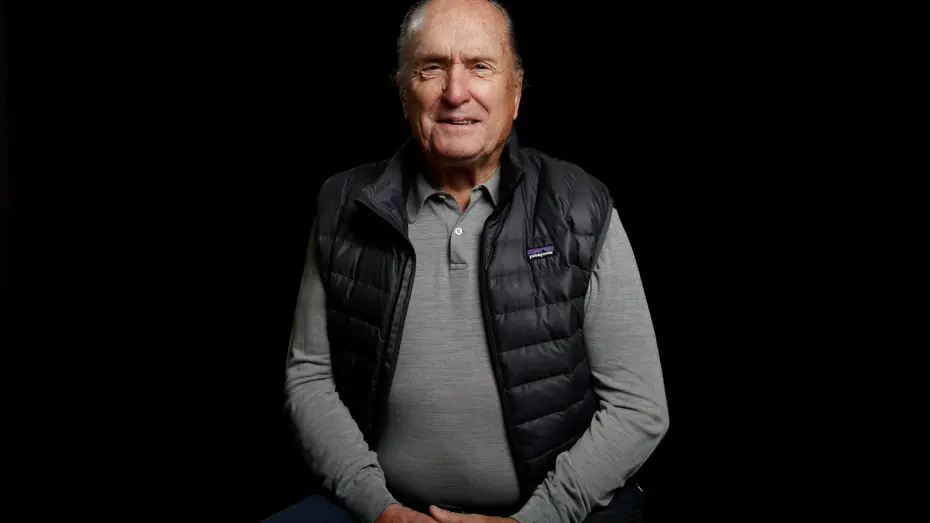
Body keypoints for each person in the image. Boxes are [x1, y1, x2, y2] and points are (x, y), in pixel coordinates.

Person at [265, 1, 668, 522]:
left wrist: (538, 518)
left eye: (480, 67)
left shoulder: (581, 206)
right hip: (378, 508)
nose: (456, 93)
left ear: (515, 92)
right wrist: (381, 509)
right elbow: (309, 379)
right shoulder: (342, 205)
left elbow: (639, 406)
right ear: (403, 92)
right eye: (432, 67)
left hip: (559, 512)